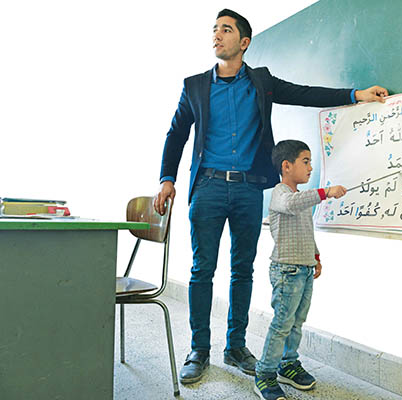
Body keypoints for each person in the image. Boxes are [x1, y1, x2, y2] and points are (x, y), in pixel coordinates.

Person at [153, 8, 388, 385]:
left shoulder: (261, 81)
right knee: (202, 269)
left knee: (242, 269)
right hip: (208, 187)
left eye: (226, 30)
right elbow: (176, 133)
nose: (217, 35)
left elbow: (303, 93)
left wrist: (355, 95)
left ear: (244, 42)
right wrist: (167, 178)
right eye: (215, 30)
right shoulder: (194, 86)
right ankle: (199, 349)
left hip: (249, 189)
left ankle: (236, 346)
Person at [254, 140, 346, 400]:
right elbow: (291, 204)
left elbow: (307, 231)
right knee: (282, 324)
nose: (310, 167)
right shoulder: (280, 193)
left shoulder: (301, 199)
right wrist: (326, 192)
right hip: (287, 271)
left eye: (310, 163)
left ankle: (288, 364)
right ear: (286, 166)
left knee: (296, 322)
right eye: (305, 162)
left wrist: (315, 256)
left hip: (304, 269)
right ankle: (264, 374)